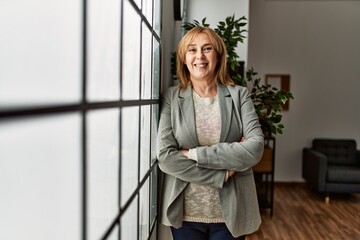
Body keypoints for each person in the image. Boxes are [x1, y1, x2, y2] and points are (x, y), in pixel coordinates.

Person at [156, 26, 264, 240]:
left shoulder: (239, 95)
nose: (200, 56)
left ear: (218, 55)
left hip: (231, 213)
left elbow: (254, 149)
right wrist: (221, 173)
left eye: (207, 49)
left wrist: (192, 154)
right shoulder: (171, 97)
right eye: (192, 50)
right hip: (185, 215)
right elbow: (166, 158)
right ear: (184, 59)